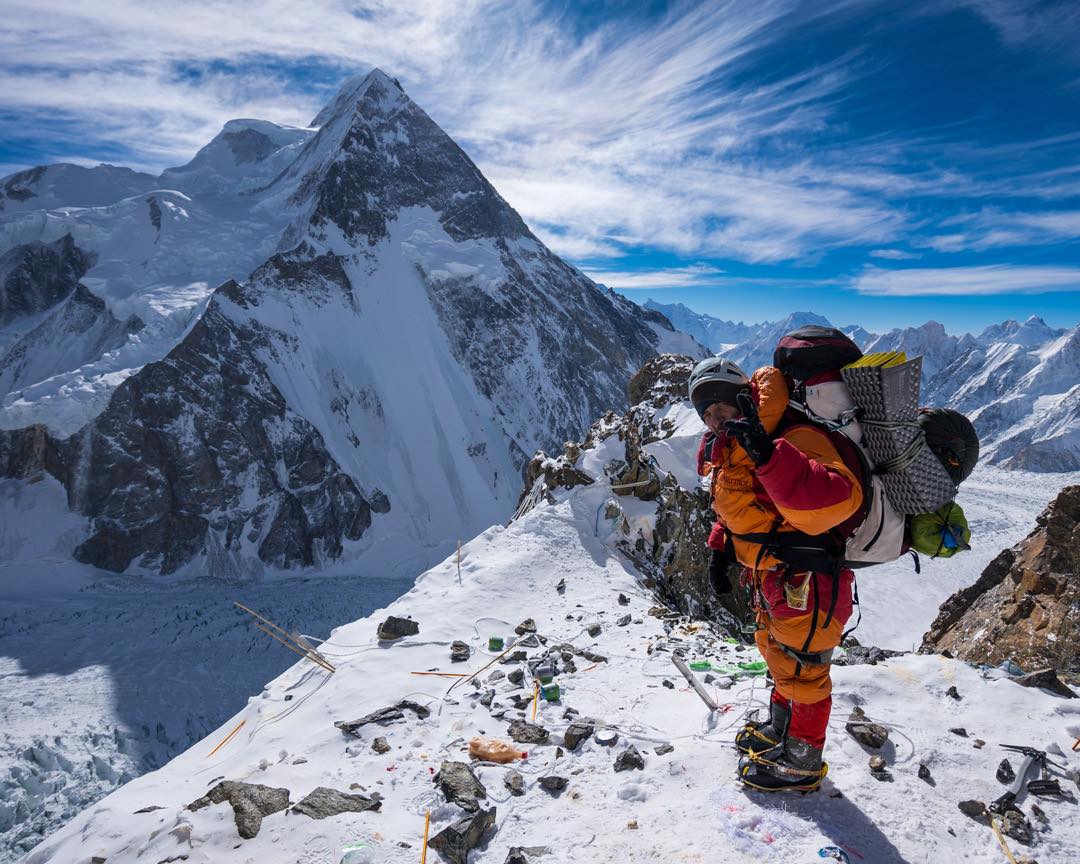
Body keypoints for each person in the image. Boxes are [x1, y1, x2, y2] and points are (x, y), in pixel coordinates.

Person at [690, 356, 862, 793]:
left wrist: (771, 455)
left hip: (811, 580)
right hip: (775, 580)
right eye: (707, 412)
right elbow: (744, 512)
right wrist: (720, 550)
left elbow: (838, 498)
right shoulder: (737, 449)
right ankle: (780, 731)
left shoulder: (792, 435)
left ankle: (802, 763)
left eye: (722, 405)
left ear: (745, 398)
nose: (716, 417)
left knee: (806, 672)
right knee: (781, 659)